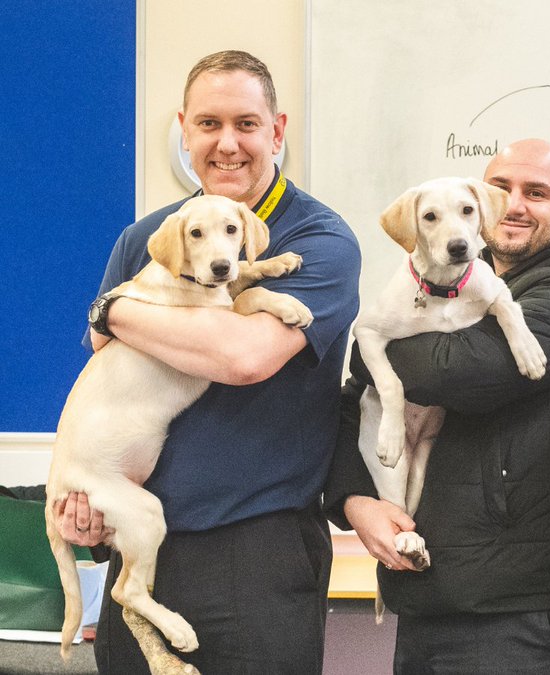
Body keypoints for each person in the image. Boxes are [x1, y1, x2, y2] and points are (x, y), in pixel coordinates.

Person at [55, 50, 361, 673]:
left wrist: (111, 311)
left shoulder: (319, 241)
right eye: (208, 124)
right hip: (143, 542)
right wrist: (91, 511)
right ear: (185, 130)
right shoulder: (145, 238)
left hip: (259, 555)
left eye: (247, 124)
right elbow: (107, 376)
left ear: (276, 132)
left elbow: (243, 355)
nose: (227, 144)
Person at [323, 138, 550, 674]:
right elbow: (355, 397)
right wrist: (352, 501)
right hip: (429, 592)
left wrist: (379, 348)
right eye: (500, 189)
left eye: (537, 193)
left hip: (518, 612)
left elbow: (459, 372)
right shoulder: (450, 282)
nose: (512, 205)